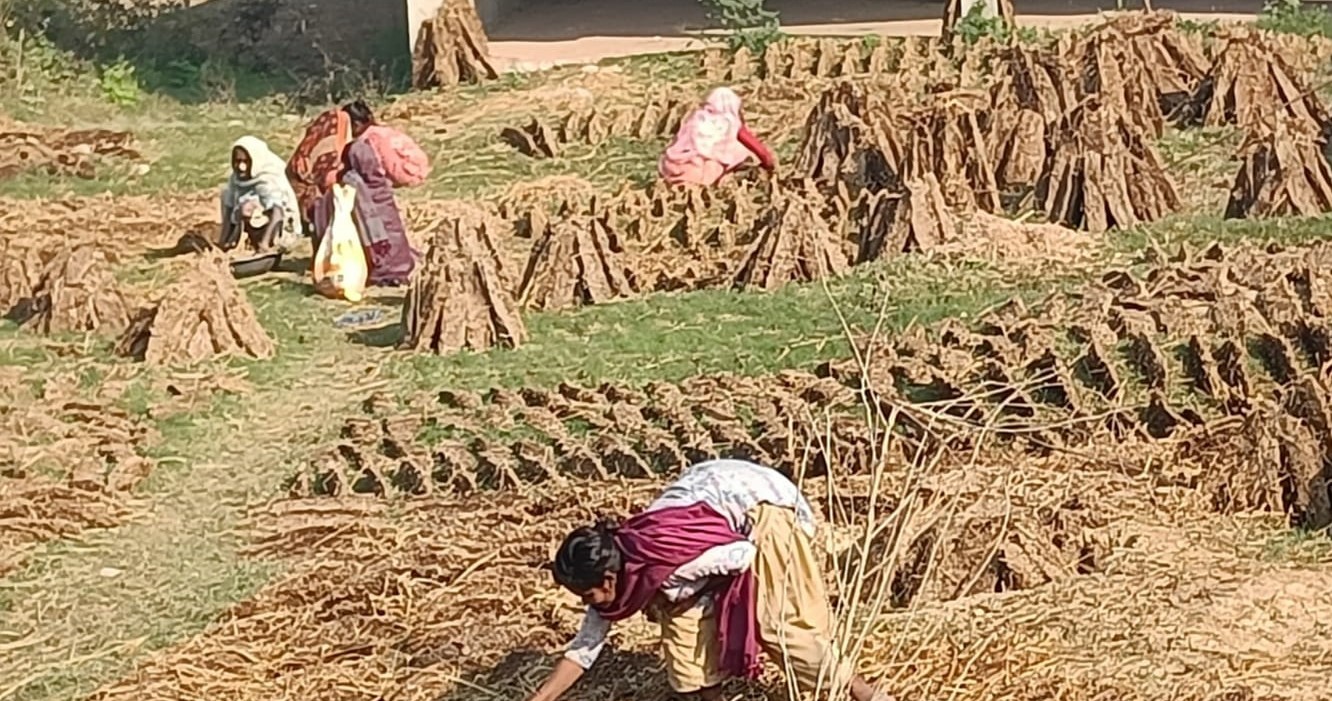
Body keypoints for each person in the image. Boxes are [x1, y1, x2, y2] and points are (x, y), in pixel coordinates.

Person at [528, 459, 894, 701]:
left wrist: (714, 602)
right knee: (679, 629)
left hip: (764, 507)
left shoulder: (669, 562)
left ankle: (864, 693)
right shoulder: (619, 573)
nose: (585, 602)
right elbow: (584, 649)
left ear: (608, 578)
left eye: (587, 593)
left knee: (775, 625)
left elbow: (742, 556)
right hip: (713, 498)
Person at [312, 127, 416, 286]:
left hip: (383, 260)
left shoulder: (353, 184)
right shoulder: (382, 183)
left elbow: (365, 223)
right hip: (404, 261)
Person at [658, 87, 776, 188]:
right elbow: (757, 148)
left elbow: (676, 142)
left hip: (671, 169)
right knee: (740, 153)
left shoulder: (696, 118)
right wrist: (769, 164)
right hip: (698, 172)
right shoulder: (730, 123)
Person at [219, 136, 300, 253]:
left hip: (276, 227)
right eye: (237, 161)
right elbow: (229, 207)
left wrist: (265, 243)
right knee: (226, 194)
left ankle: (263, 242)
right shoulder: (236, 179)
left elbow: (278, 213)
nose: (241, 167)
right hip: (251, 224)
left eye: (246, 162)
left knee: (247, 208)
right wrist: (223, 241)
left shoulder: (266, 179)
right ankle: (239, 240)